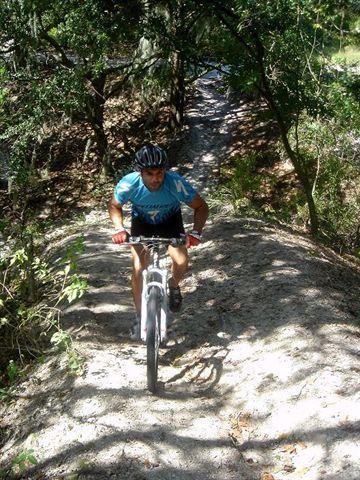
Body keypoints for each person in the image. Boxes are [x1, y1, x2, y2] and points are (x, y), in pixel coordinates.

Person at [108, 144, 209, 339]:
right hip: (142, 223)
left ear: (165, 171)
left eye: (160, 172)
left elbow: (201, 206)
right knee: (138, 268)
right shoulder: (129, 183)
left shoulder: (175, 182)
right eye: (149, 173)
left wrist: (196, 232)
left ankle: (173, 285)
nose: (156, 178)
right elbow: (114, 205)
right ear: (140, 172)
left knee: (180, 261)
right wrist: (119, 229)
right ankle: (140, 317)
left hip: (170, 222)